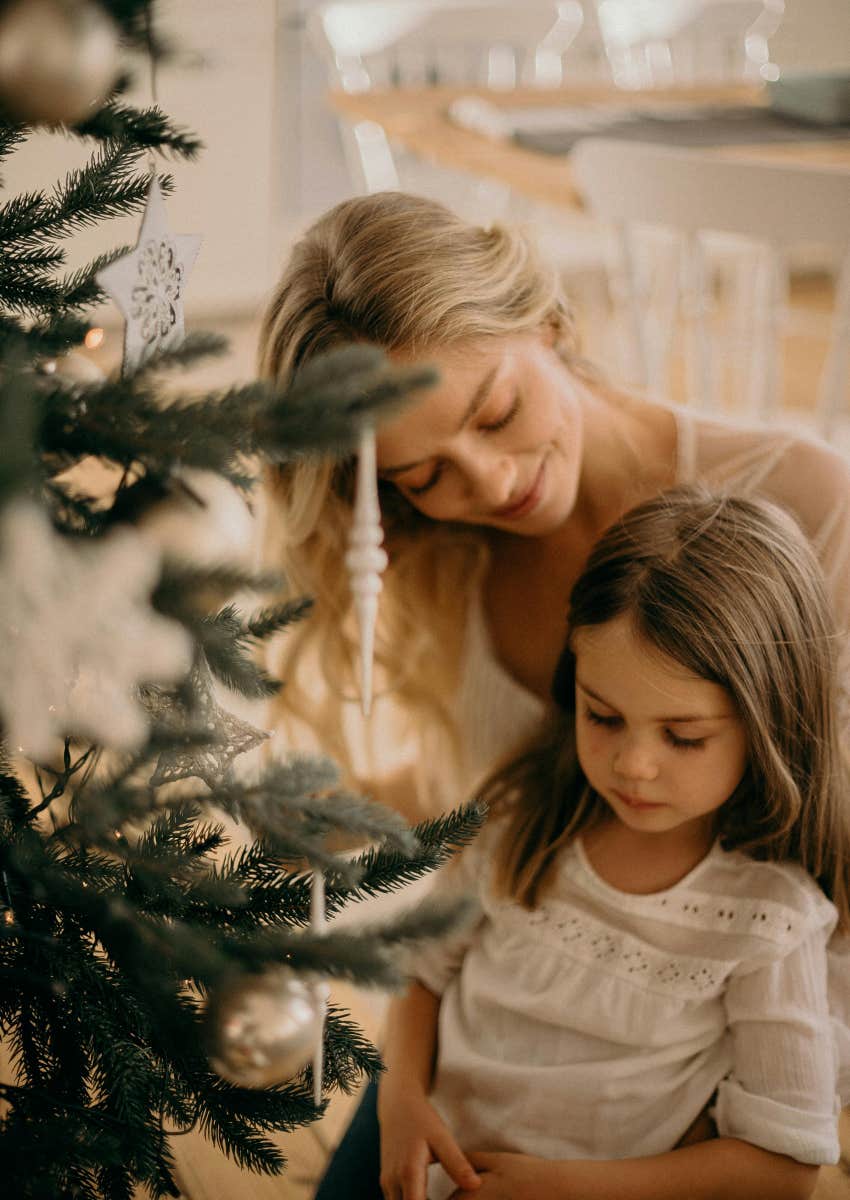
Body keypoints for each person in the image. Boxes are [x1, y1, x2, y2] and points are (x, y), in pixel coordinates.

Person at [258, 191, 850, 819]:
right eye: (426, 474)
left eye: (496, 414)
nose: (491, 483)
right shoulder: (443, 553)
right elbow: (483, 781)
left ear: (543, 321)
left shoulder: (808, 500)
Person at [374, 487, 850, 1200]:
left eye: (683, 737)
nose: (633, 765)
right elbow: (421, 972)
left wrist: (563, 1187)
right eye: (603, 716)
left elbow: (784, 1167)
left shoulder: (768, 917)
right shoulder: (518, 818)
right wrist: (399, 1099)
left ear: (768, 722)